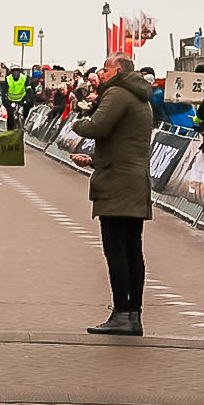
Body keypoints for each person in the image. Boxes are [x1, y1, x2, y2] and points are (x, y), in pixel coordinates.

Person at [70, 52, 153, 337]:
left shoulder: (117, 93)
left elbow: (98, 127)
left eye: (105, 69)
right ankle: (134, 315)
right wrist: (94, 160)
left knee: (116, 250)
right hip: (133, 180)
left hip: (117, 185)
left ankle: (121, 313)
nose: (101, 74)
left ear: (118, 70)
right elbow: (126, 143)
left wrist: (78, 118)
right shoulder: (139, 95)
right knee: (132, 250)